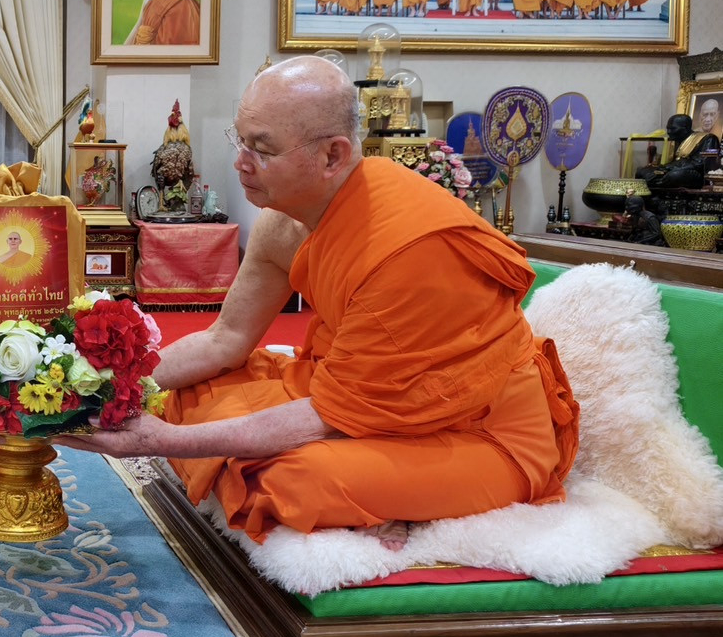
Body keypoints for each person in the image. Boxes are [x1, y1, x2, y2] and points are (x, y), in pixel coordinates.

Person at [63, 56, 579, 551]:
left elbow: (325, 416)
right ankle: (387, 493)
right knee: (190, 391)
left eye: (261, 149)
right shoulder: (281, 221)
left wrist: (157, 441)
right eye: (239, 140)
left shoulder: (405, 250)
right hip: (356, 393)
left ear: (333, 155)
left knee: (291, 480)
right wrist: (102, 384)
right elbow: (226, 339)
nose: (240, 163)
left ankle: (402, 494)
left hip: (474, 427)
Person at [639, 113, 720, 190]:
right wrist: (660, 168)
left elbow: (700, 163)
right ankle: (655, 184)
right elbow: (668, 162)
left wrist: (668, 168)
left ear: (686, 128)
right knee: (641, 171)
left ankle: (654, 184)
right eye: (668, 129)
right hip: (671, 170)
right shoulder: (675, 141)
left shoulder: (708, 138)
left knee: (675, 175)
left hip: (695, 175)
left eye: (673, 129)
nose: (669, 132)